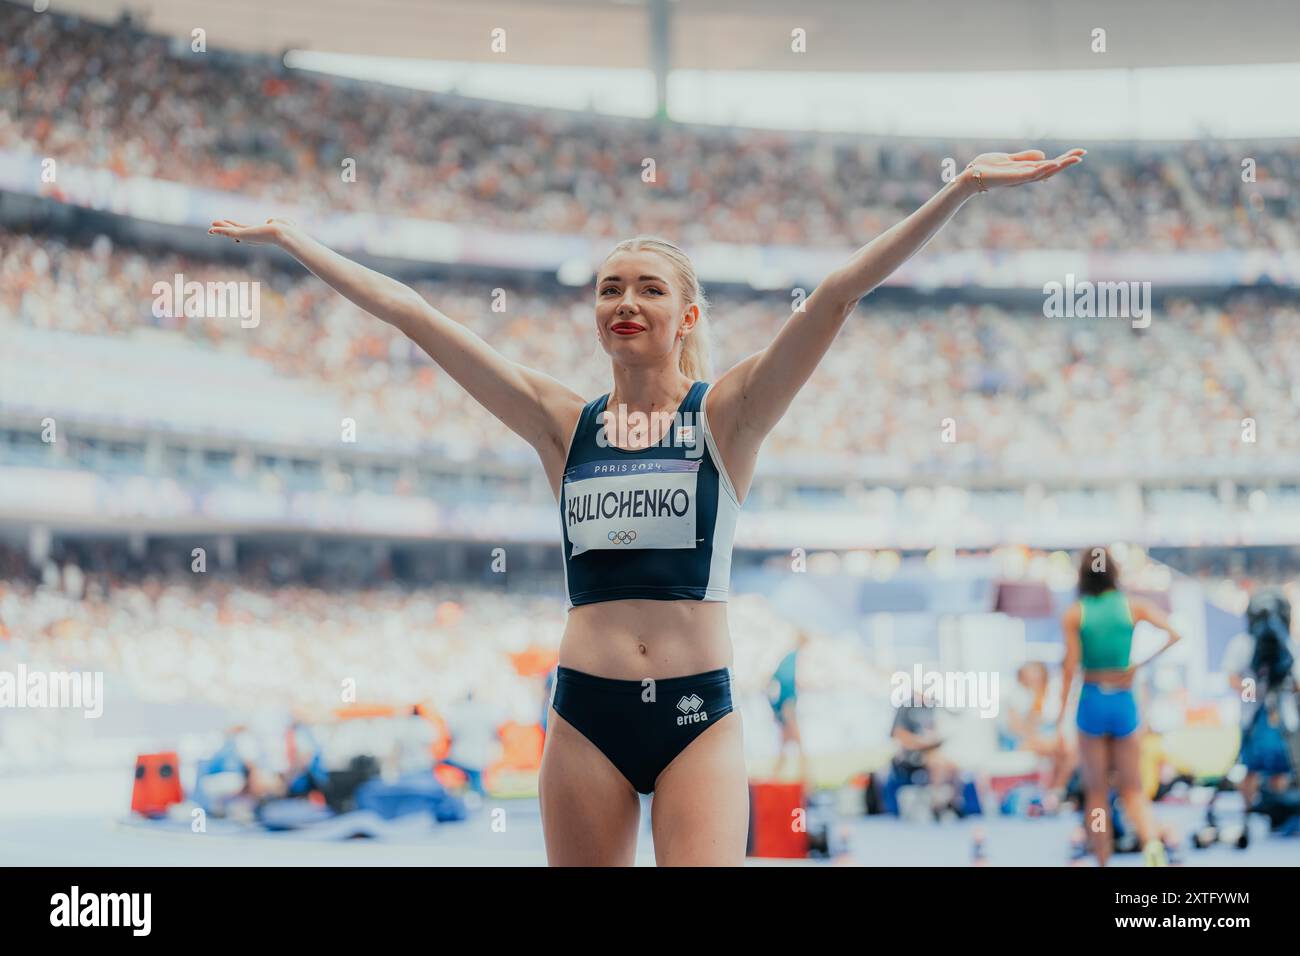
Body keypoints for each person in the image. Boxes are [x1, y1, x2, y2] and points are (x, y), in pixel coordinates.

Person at [211, 145, 1083, 865]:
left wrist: (960, 188)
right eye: (609, 288)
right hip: (584, 714)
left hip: (697, 716)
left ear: (686, 313)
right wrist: (294, 237)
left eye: (648, 288)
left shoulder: (728, 417)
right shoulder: (561, 424)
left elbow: (837, 295)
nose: (625, 301)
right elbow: (415, 315)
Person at [1056, 547, 1183, 866]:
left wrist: (1060, 719)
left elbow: (1070, 669)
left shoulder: (1075, 614)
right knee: (1134, 790)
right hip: (1124, 700)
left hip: (1093, 699)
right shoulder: (1133, 606)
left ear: (1082, 575)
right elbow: (1174, 634)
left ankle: (1102, 858)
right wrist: (1138, 664)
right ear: (1113, 572)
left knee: (1096, 792)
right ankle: (1152, 845)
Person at [1223, 588, 1300, 823]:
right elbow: (1233, 677)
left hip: (1284, 718)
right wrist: (1255, 692)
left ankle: (1279, 812)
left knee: (1282, 767)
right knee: (1250, 766)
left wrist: (1281, 688)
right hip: (1252, 718)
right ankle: (1248, 813)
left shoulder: (1289, 644)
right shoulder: (1242, 644)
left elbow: (1296, 683)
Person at [999, 661, 1076, 810]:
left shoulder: (1050, 695)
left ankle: (1053, 794)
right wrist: (1036, 730)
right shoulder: (1017, 695)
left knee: (1066, 753)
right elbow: (1015, 726)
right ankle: (1055, 794)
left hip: (1044, 739)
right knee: (1065, 750)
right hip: (1021, 741)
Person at [768, 630, 811, 788]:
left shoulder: (789, 658)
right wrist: (783, 706)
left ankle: (775, 780)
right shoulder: (792, 658)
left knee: (785, 746)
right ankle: (806, 783)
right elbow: (783, 681)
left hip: (786, 707)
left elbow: (775, 680)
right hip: (788, 708)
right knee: (798, 746)